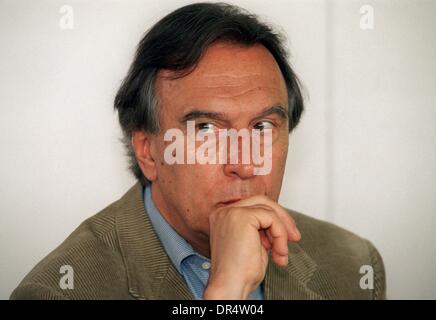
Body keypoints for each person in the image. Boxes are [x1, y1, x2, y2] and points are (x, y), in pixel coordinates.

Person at [11, 2, 385, 300]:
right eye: (206, 130)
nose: (244, 164)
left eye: (262, 127)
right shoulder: (59, 291)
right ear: (148, 151)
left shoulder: (353, 266)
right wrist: (226, 295)